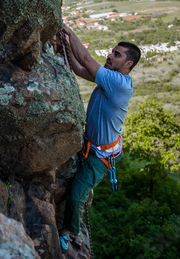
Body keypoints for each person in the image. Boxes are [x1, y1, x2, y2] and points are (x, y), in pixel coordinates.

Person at [58, 23, 141, 253]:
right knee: (77, 188)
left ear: (128, 64)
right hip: (92, 147)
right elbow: (79, 68)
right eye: (111, 51)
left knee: (75, 196)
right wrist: (64, 46)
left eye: (116, 54)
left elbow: (85, 58)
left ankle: (69, 232)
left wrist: (66, 31)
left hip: (99, 156)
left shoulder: (118, 84)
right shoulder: (111, 78)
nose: (109, 55)